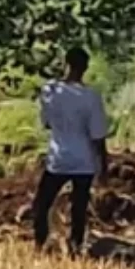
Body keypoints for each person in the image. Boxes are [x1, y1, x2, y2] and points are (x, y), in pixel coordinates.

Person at [35, 47, 108, 254]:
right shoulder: (91, 97)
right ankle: (76, 247)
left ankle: (40, 244)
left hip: (58, 158)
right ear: (85, 68)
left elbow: (46, 123)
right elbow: (98, 136)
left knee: (42, 204)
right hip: (84, 161)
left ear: (65, 63)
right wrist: (103, 164)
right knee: (79, 209)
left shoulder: (50, 91)